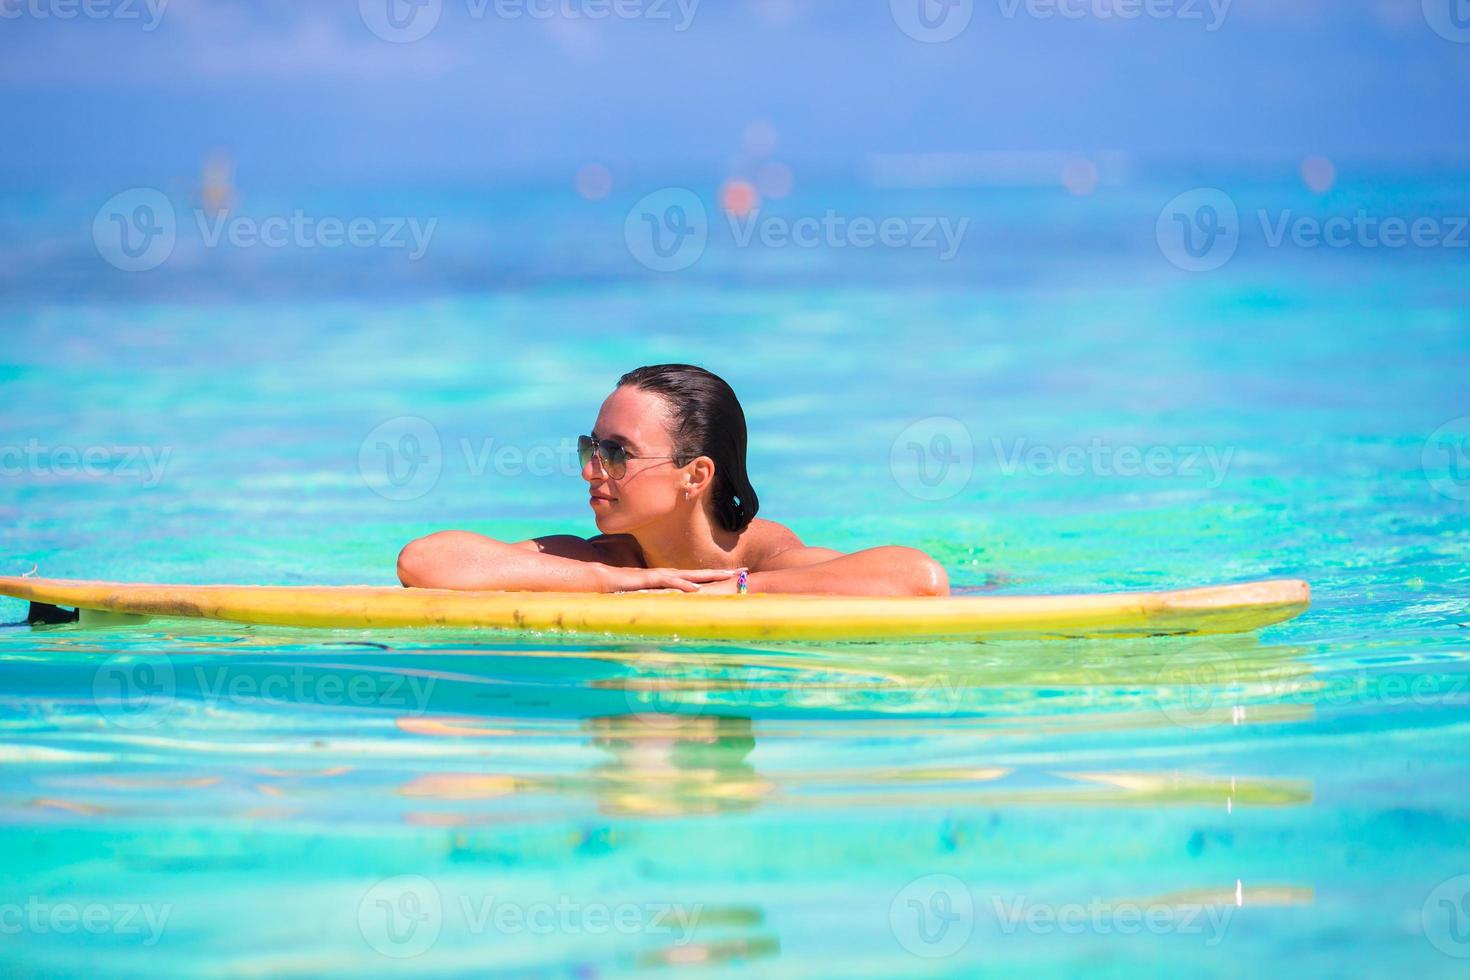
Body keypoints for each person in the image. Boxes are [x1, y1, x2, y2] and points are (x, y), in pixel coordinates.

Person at [396, 364, 948, 596]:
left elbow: (920, 579)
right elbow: (423, 561)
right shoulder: (609, 561)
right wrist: (615, 584)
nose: (592, 469)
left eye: (618, 453)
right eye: (592, 448)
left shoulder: (763, 557)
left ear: (695, 476)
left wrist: (733, 591)